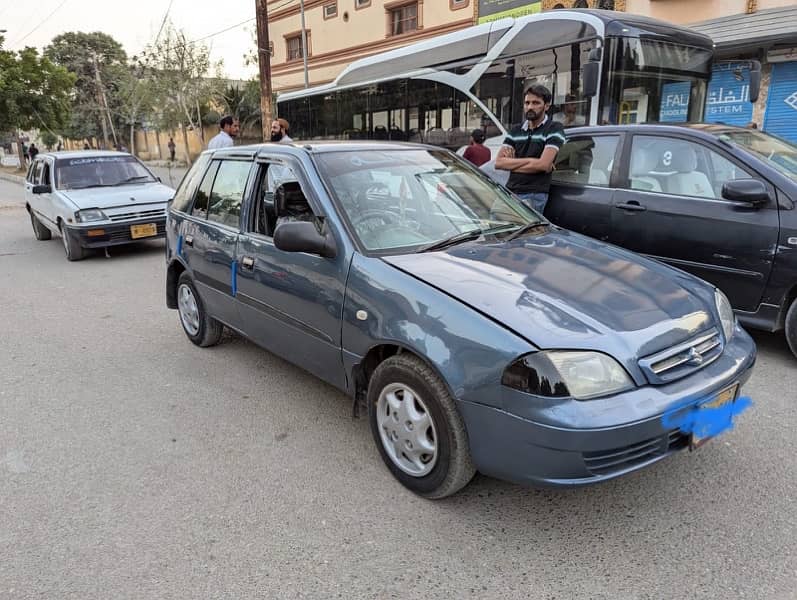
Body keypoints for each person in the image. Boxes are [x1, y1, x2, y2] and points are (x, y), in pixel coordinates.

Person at [495, 84, 565, 214]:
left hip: (533, 194)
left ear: (546, 106)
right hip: (508, 192)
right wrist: (534, 162)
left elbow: (543, 165)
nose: (530, 107)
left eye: (536, 103)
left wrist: (511, 163)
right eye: (527, 103)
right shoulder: (516, 130)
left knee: (525, 234)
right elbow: (499, 163)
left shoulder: (554, 129)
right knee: (495, 229)